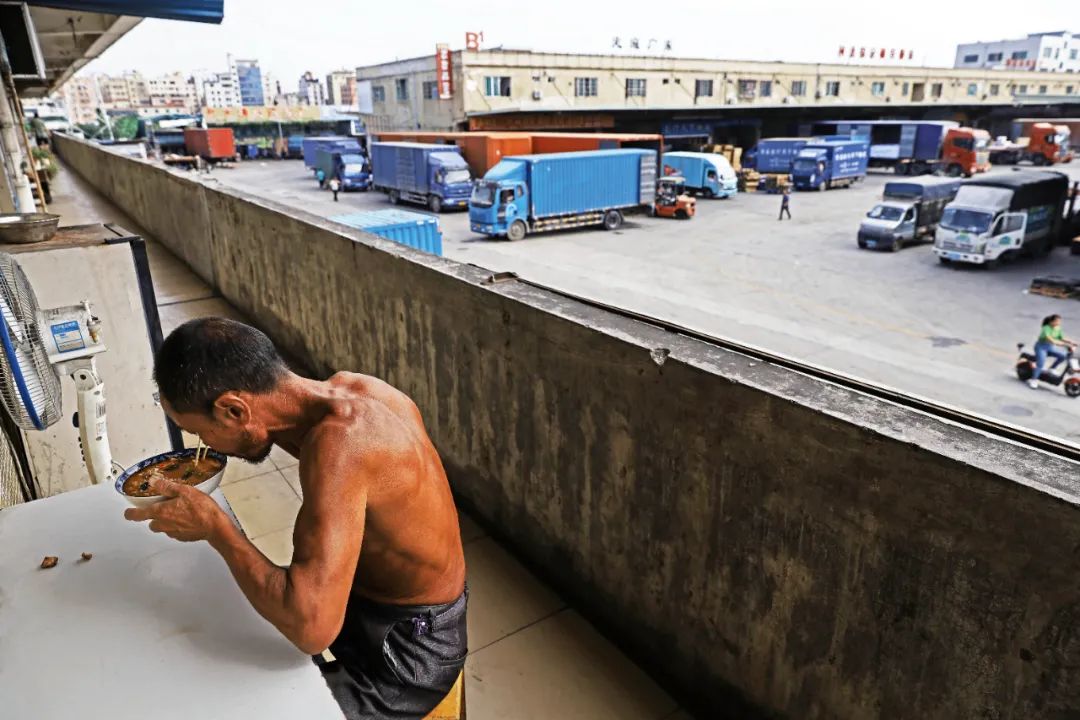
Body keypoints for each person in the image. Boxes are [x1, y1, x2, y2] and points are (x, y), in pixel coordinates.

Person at [126, 318, 467, 719]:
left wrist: (217, 528)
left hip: (409, 649)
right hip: (377, 606)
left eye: (200, 433)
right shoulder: (354, 390)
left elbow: (312, 630)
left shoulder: (342, 446)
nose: (204, 447)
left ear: (233, 409)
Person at [1029, 314, 1076, 389]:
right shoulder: (1046, 328)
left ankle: (1052, 368)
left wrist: (1071, 342)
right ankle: (1034, 379)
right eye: (1057, 321)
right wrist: (1064, 344)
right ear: (1051, 321)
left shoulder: (1058, 328)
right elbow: (1050, 339)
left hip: (1050, 348)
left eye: (1059, 322)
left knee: (1063, 355)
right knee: (1041, 363)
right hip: (1041, 348)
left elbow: (1061, 338)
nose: (1058, 323)